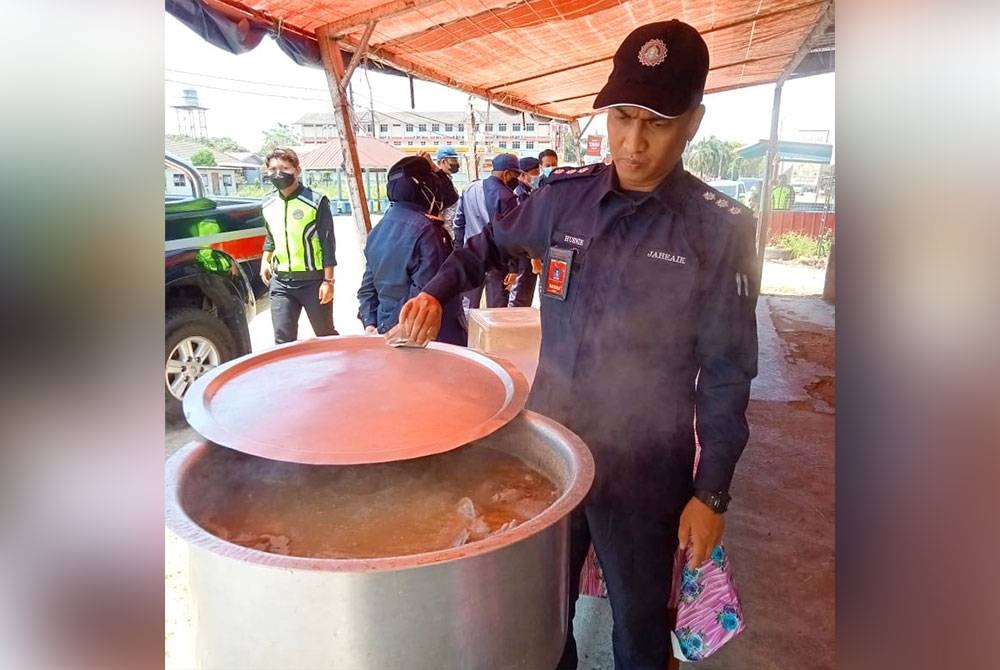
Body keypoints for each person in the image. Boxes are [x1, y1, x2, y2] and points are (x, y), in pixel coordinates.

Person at [389, 19, 759, 670]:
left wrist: (711, 494)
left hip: (646, 469)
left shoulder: (715, 230)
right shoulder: (565, 200)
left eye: (658, 122)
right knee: (537, 611)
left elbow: (728, 372)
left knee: (639, 625)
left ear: (694, 123)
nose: (633, 142)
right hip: (549, 453)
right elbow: (487, 246)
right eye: (621, 116)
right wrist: (433, 291)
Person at [356, 156, 466, 345]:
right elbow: (426, 288)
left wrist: (373, 323)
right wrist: (396, 325)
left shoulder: (378, 230)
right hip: (425, 335)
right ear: (424, 187)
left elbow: (368, 286)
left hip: (387, 331)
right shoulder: (429, 230)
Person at [259, 147, 338, 344]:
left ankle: (337, 372)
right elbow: (271, 236)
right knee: (282, 340)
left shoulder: (316, 201)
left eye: (285, 167)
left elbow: (328, 243)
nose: (279, 173)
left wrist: (328, 281)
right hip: (281, 282)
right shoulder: (267, 203)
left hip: (313, 281)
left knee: (325, 335)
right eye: (273, 169)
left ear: (297, 170)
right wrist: (265, 261)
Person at [452, 153, 522, 311]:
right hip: (496, 263)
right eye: (515, 175)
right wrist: (513, 268)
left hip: (470, 257)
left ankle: (467, 336)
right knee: (496, 312)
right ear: (506, 174)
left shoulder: (469, 188)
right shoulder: (507, 197)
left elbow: (458, 224)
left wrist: (460, 252)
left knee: (466, 309)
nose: (516, 180)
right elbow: (509, 235)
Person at [508, 156, 543, 307]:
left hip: (531, 254)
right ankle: (512, 327)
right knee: (518, 296)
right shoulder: (517, 196)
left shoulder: (532, 192)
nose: (538, 176)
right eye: (535, 172)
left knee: (526, 295)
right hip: (522, 255)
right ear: (522, 175)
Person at [427, 146, 462, 243]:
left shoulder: (447, 180)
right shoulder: (438, 181)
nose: (456, 163)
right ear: (443, 161)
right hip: (446, 232)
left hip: (453, 230)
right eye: (453, 159)